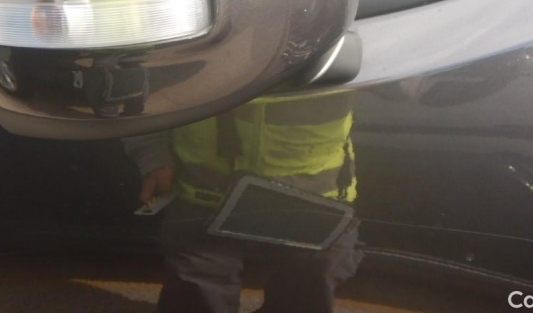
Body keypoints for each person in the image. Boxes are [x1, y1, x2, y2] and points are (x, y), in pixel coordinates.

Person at [124, 91, 363, 313]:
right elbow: (143, 86)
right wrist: (153, 156)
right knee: (197, 293)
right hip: (204, 195)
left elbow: (387, 78)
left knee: (304, 291)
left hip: (311, 200)